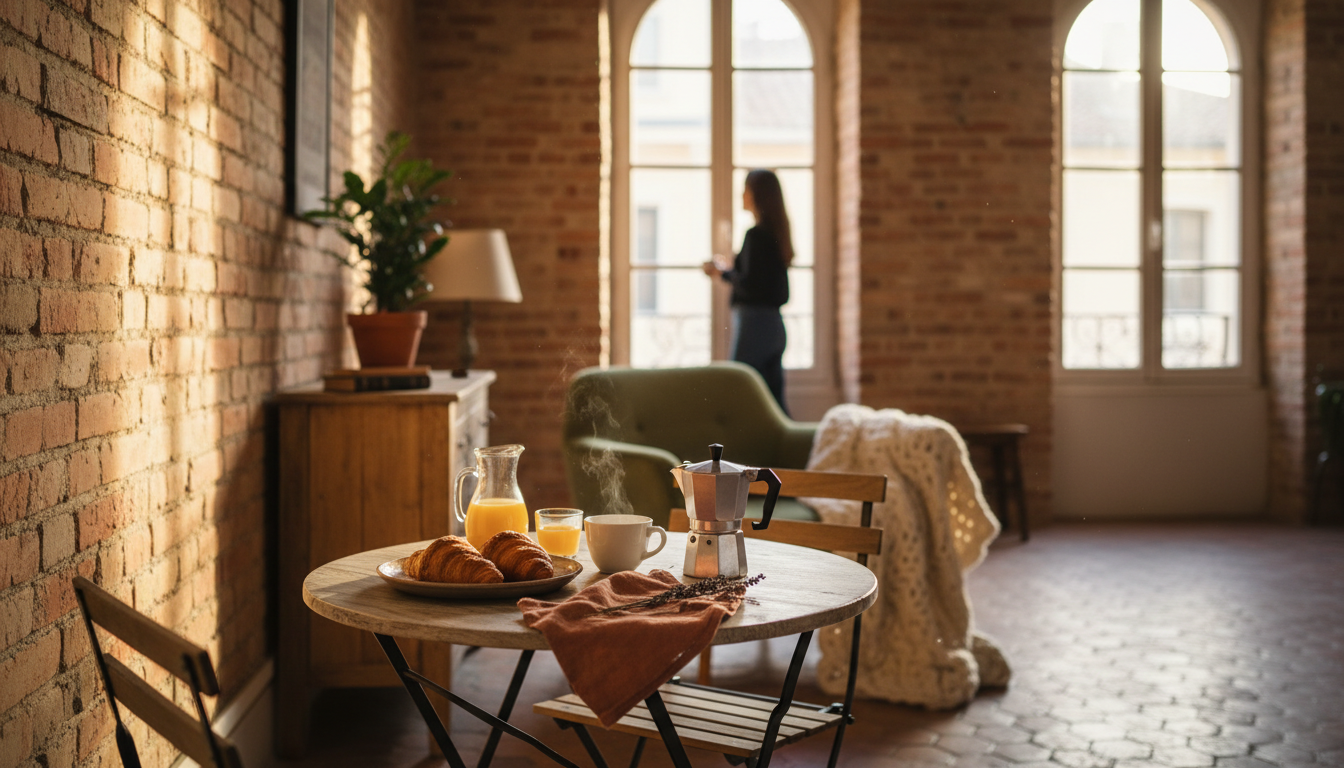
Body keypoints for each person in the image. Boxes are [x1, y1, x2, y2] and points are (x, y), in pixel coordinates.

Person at [702, 169, 793, 416]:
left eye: (746, 189)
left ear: (756, 195)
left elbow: (750, 284)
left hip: (755, 326)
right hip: (774, 327)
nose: (742, 195)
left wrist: (721, 272)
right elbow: (769, 285)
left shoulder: (755, 235)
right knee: (775, 406)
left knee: (738, 394)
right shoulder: (777, 234)